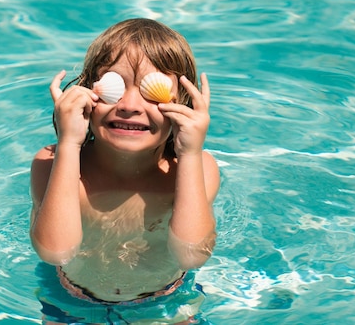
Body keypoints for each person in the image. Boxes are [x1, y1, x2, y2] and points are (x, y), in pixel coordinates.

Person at [30, 18, 220, 323]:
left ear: (184, 106)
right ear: (86, 95)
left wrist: (190, 153)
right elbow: (55, 252)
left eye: (152, 91)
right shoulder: (52, 163)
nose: (130, 105)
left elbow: (192, 255)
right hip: (70, 297)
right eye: (112, 88)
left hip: (166, 299)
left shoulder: (195, 167)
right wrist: (68, 144)